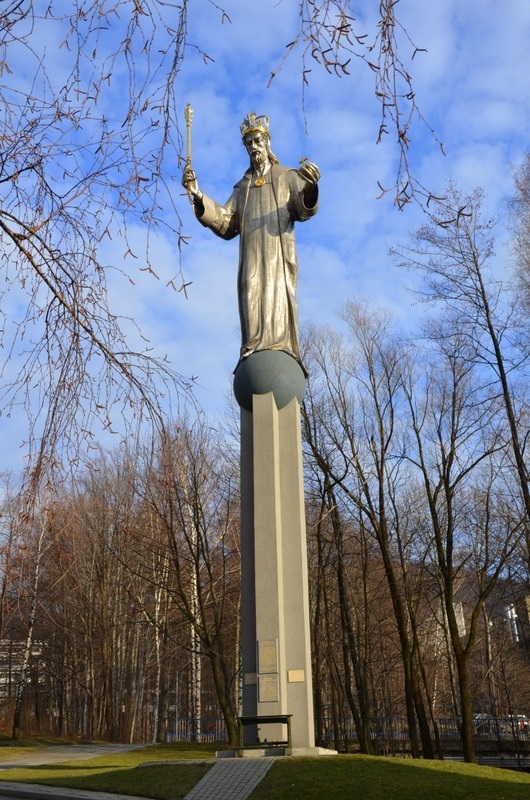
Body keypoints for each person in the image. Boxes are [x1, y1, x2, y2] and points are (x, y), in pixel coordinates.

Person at [182, 113, 320, 372]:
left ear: (267, 143)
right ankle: (253, 346)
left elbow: (303, 209)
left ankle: (279, 348)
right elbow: (226, 222)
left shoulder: (286, 176)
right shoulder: (242, 187)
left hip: (277, 256)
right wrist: (198, 195)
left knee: (276, 296)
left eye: (258, 141)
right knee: (250, 291)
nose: (254, 147)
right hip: (251, 258)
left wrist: (311, 188)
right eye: (249, 144)